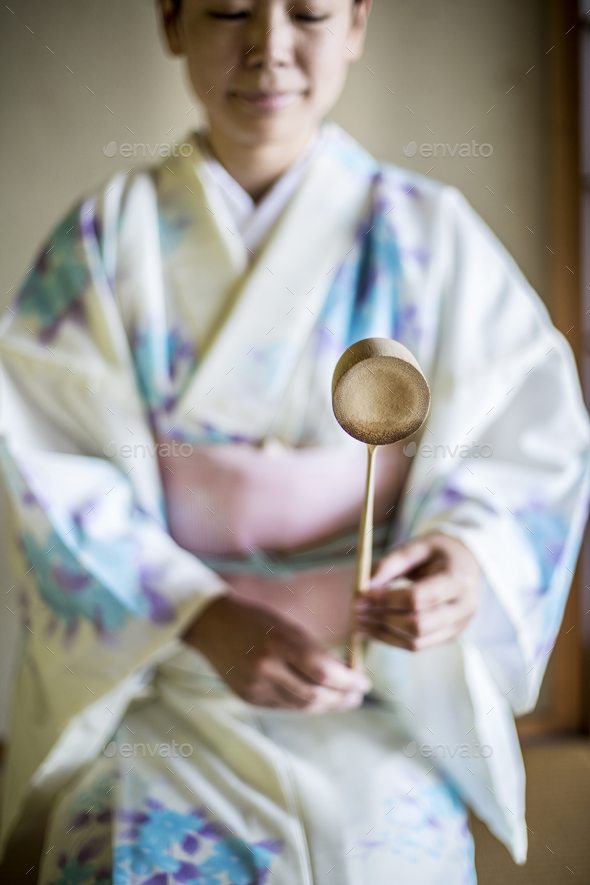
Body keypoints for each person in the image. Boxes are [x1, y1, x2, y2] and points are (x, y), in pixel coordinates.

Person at [0, 1, 589, 883]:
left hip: (375, 684)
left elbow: (525, 442)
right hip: (169, 678)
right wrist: (202, 616)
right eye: (229, 9)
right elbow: (44, 459)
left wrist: (466, 559)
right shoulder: (105, 241)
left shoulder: (433, 235)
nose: (268, 48)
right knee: (119, 854)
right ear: (171, 20)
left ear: (356, 24)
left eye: (309, 12)